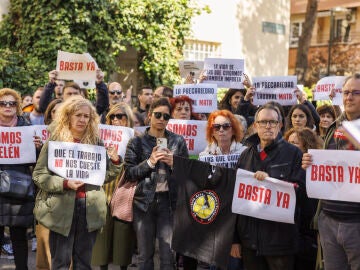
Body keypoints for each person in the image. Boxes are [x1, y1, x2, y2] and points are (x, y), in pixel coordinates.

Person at [32, 96, 122, 269]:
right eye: (77, 115)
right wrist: (64, 183)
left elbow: (104, 176)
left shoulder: (96, 142)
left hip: (89, 210)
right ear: (68, 116)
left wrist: (116, 162)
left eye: (86, 116)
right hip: (60, 209)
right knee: (60, 263)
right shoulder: (54, 141)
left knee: (83, 264)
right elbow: (39, 175)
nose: (82, 119)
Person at [232, 103, 304, 270]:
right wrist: (236, 239)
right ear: (256, 125)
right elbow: (236, 198)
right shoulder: (246, 154)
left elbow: (301, 193)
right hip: (250, 242)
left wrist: (271, 182)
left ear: (280, 125)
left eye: (273, 122)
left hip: (280, 243)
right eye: (263, 122)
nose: (268, 126)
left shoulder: (294, 154)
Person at [302, 73, 360, 270]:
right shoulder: (335, 126)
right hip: (329, 220)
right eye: (346, 92)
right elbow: (327, 167)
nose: (349, 97)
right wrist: (310, 162)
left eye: (355, 93)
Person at [124, 98, 189, 270]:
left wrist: (174, 164)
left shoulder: (177, 141)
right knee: (144, 256)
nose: (161, 119)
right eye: (158, 115)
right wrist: (150, 162)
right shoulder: (136, 142)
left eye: (166, 116)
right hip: (143, 203)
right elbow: (130, 173)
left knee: (168, 256)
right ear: (150, 115)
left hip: (169, 203)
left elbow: (187, 174)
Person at [0, 88, 42, 269]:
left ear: (18, 106)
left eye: (12, 103)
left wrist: (38, 148)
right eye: (3, 103)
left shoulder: (27, 128)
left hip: (20, 188)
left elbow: (38, 160)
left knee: (19, 236)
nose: (7, 106)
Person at [92, 102, 136, 270]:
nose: (116, 120)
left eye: (120, 116)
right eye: (112, 117)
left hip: (125, 190)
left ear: (128, 119)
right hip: (103, 190)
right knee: (102, 236)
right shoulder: (99, 137)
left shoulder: (135, 138)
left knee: (123, 237)